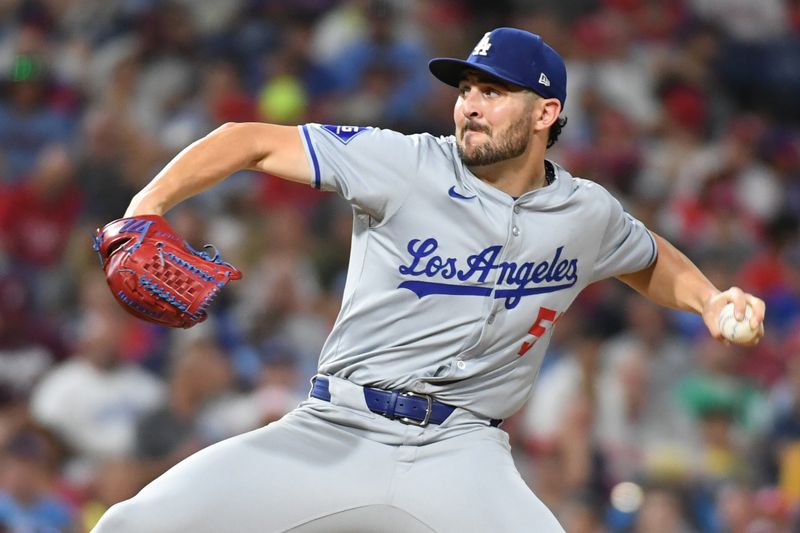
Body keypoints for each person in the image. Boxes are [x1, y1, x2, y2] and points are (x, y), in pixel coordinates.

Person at [92, 27, 766, 533]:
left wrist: (709, 299)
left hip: (463, 451)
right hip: (337, 427)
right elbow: (249, 139)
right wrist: (145, 206)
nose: (470, 105)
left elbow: (646, 255)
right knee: (132, 525)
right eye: (467, 89)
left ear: (546, 113)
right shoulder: (403, 162)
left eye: (494, 92)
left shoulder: (584, 211)